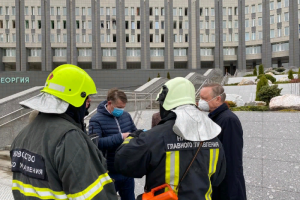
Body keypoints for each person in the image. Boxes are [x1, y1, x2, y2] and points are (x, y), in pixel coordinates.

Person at [10, 64, 118, 200]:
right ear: (74, 99)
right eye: (86, 96)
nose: (89, 101)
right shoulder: (69, 138)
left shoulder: (22, 136)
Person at [114, 77, 226, 200]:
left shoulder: (154, 137)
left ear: (165, 104)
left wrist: (134, 136)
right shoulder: (212, 136)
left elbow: (123, 163)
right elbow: (217, 179)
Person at [199, 83, 247, 200]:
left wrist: (230, 193)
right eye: (200, 98)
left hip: (226, 187)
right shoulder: (214, 117)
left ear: (218, 99)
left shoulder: (228, 120)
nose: (201, 102)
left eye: (204, 99)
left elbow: (232, 160)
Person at [89, 88, 137, 200]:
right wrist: (120, 137)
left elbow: (133, 131)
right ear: (109, 103)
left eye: (123, 107)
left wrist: (139, 134)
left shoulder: (126, 116)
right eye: (119, 107)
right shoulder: (96, 120)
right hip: (109, 172)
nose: (121, 110)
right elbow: (95, 143)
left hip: (127, 169)